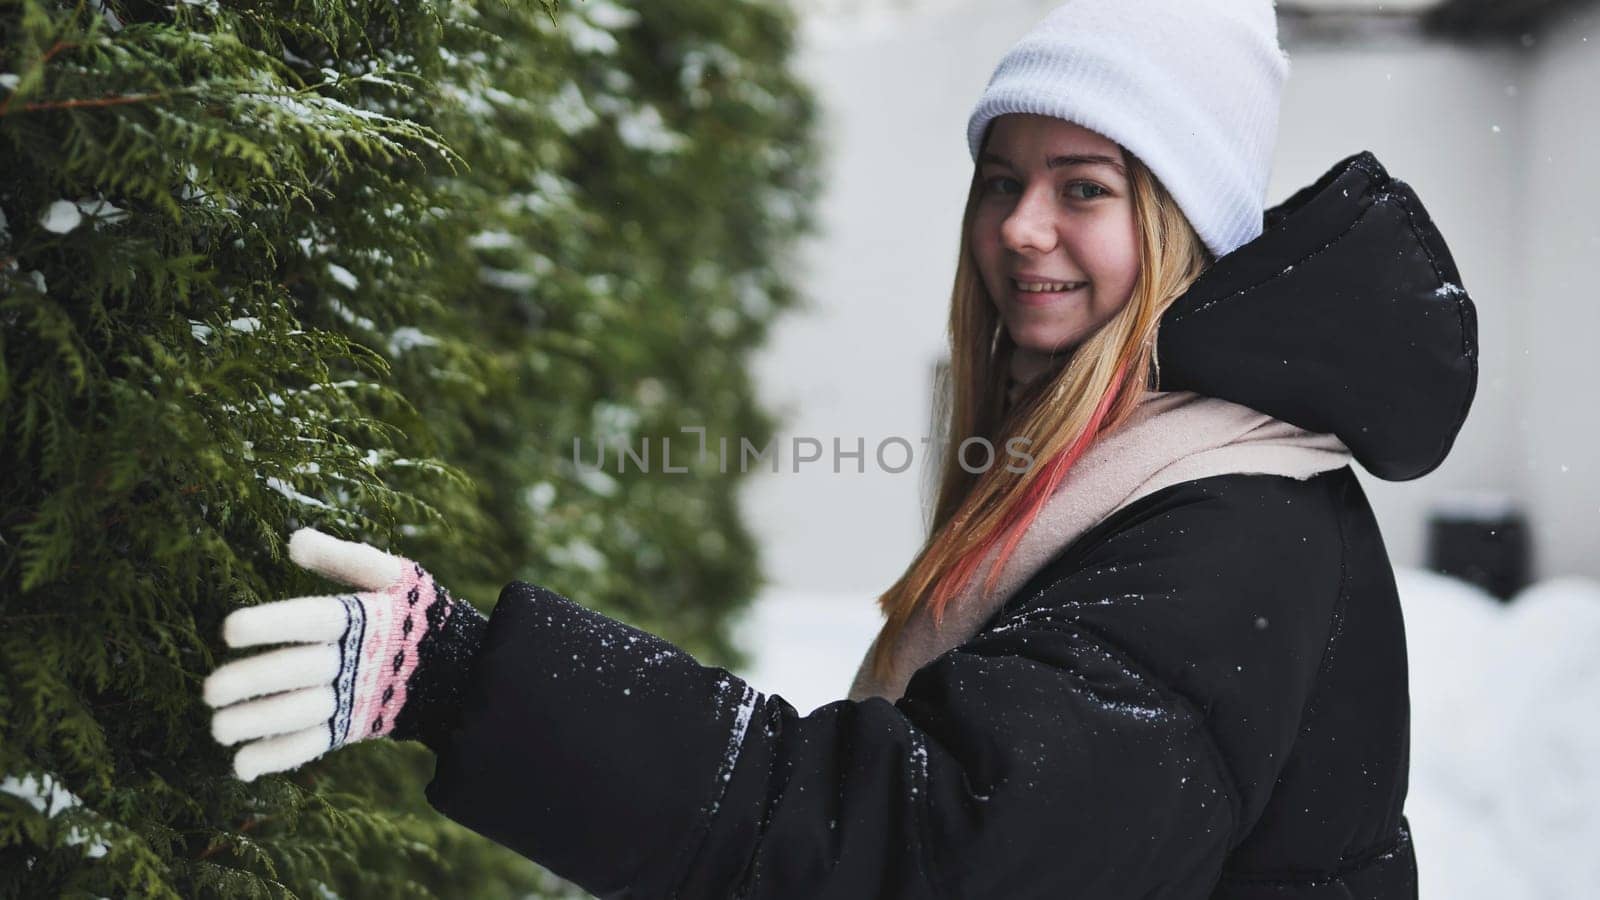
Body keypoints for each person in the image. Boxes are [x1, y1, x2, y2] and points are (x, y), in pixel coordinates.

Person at [201, 0, 1478, 896]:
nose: (1022, 227)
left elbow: (923, 848)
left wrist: (469, 679)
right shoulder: (1160, 464)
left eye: (1085, 187)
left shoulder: (1230, 531)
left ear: (1180, 232)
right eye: (999, 178)